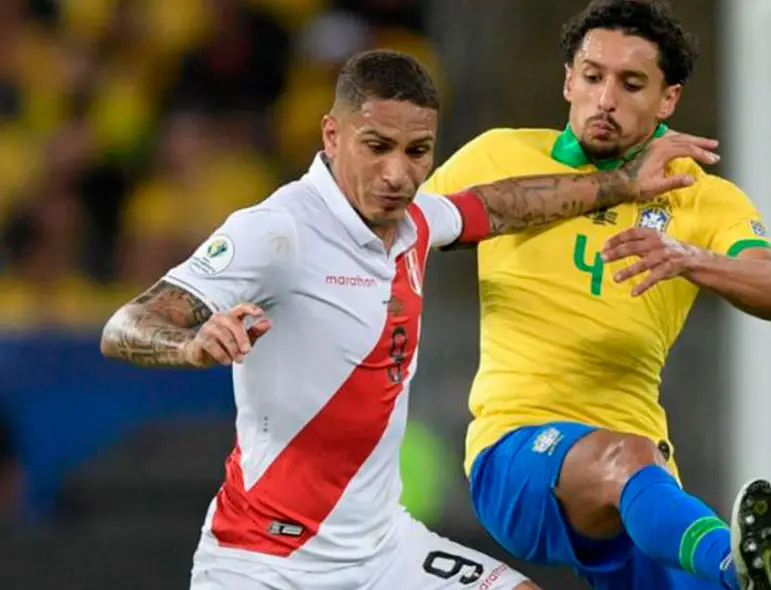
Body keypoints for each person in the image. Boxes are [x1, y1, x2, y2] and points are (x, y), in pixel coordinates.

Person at [99, 49, 721, 590]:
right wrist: (189, 343)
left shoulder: (415, 223)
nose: (398, 174)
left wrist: (620, 183)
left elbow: (498, 205)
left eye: (417, 151)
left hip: (383, 552)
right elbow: (126, 324)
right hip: (266, 560)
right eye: (377, 147)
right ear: (332, 136)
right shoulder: (278, 229)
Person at [422, 1, 771, 589]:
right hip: (516, 451)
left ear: (668, 100)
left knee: (642, 480)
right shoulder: (501, 156)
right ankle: (734, 568)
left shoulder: (700, 197)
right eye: (593, 76)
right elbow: (404, 234)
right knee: (637, 473)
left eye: (632, 84)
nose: (606, 99)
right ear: (568, 81)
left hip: (646, 486)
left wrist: (690, 257)